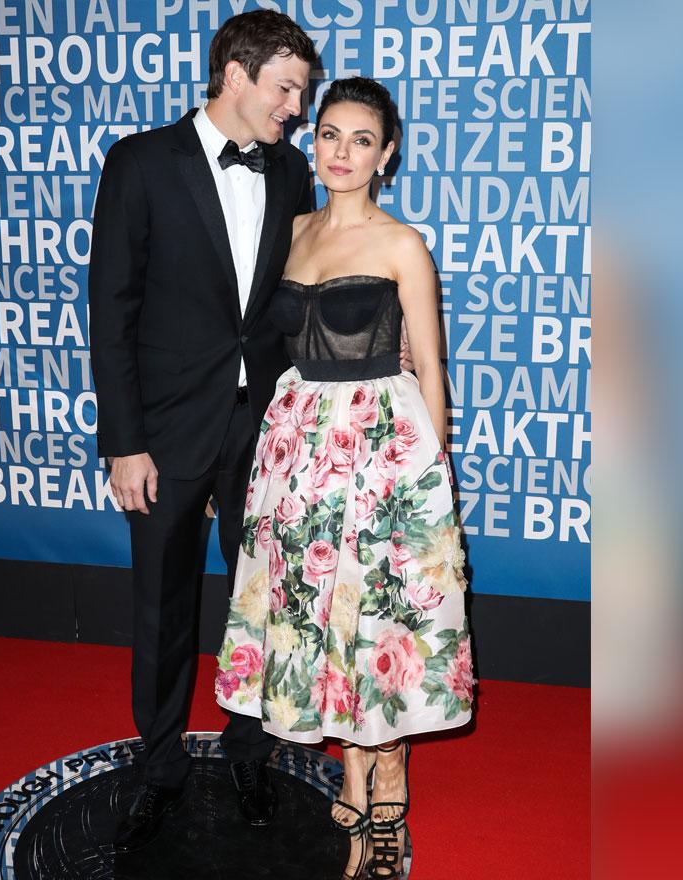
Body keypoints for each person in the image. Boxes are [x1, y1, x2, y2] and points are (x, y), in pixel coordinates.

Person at [213, 77, 475, 879]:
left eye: (363, 140)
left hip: (381, 452)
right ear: (313, 140)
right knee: (320, 613)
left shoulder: (403, 245)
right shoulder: (291, 232)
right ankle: (353, 767)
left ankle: (386, 778)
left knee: (377, 618)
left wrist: (433, 481)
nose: (343, 152)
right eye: (330, 134)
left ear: (386, 154)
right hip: (296, 451)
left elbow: (430, 367)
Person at [88, 10, 320, 853]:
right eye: (286, 87)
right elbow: (109, 310)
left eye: (303, 90)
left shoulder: (292, 171)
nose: (298, 106)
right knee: (162, 606)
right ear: (234, 73)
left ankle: (250, 751)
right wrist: (123, 441)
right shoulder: (141, 162)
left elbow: (294, 296)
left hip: (264, 427)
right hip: (162, 430)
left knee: (263, 602)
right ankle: (158, 770)